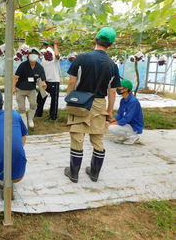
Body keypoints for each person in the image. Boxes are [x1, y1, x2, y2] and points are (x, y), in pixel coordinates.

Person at [64, 27, 121, 183]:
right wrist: (109, 111)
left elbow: (71, 81)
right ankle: (94, 173)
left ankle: (74, 174)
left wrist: (69, 100)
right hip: (99, 104)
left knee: (77, 136)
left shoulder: (82, 58)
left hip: (80, 102)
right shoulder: (112, 65)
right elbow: (112, 91)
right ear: (111, 44)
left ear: (96, 39)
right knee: (97, 138)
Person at [13, 48, 47, 128]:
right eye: (31, 54)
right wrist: (13, 88)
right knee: (21, 107)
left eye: (35, 54)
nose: (33, 56)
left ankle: (30, 119)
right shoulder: (23, 65)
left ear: (38, 56)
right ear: (28, 56)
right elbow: (15, 77)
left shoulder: (40, 67)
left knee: (33, 104)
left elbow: (43, 80)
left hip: (31, 89)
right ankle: (24, 122)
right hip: (20, 89)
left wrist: (44, 84)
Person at [109, 79, 144, 145]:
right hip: (128, 124)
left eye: (120, 87)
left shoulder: (133, 101)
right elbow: (120, 114)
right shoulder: (123, 100)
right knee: (110, 125)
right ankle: (125, 136)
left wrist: (116, 123)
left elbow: (128, 118)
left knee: (111, 127)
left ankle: (133, 136)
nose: (118, 88)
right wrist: (113, 120)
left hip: (134, 125)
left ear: (126, 89)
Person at [35, 40, 61, 120]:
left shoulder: (54, 57)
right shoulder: (44, 58)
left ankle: (53, 117)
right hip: (45, 81)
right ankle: (38, 114)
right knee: (40, 98)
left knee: (54, 100)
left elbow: (57, 55)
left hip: (54, 81)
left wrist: (55, 45)